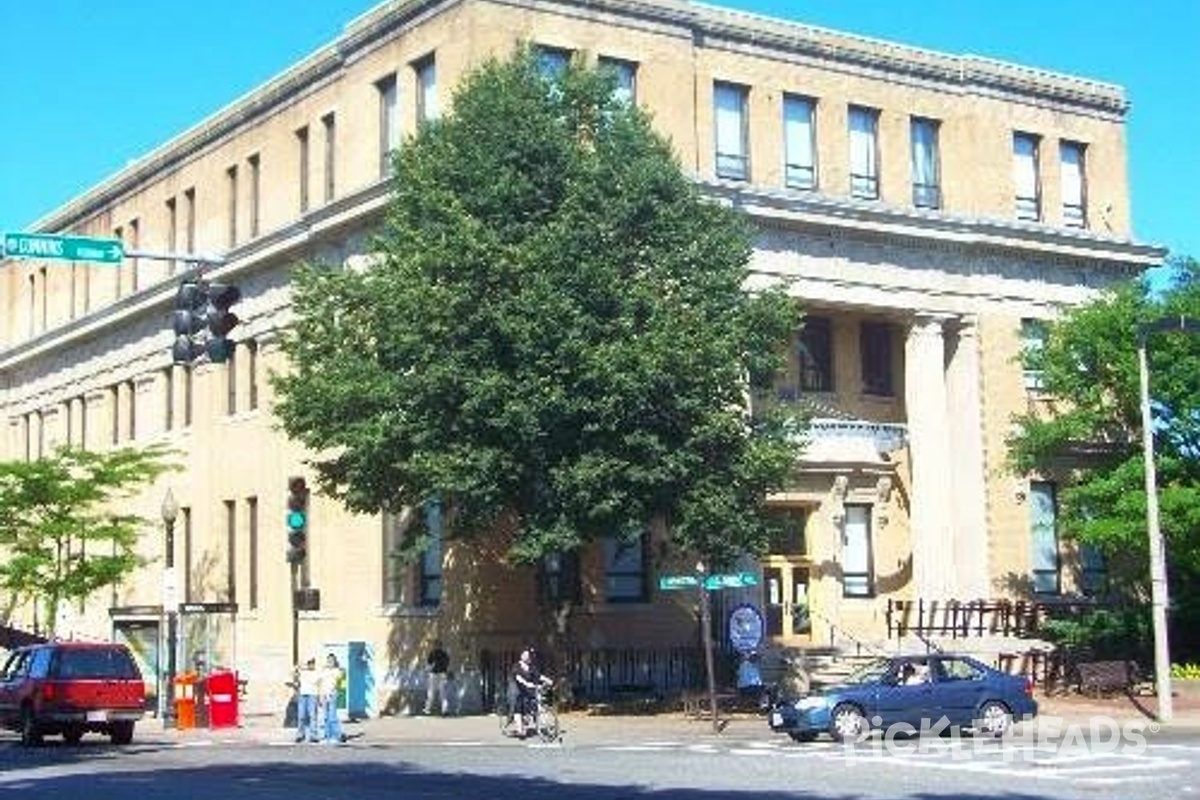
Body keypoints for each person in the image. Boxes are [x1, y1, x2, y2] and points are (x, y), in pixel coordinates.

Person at [511, 648, 552, 738]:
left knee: (538, 704)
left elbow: (538, 676)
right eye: (525, 655)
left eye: (528, 655)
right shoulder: (516, 666)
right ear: (521, 656)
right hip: (520, 690)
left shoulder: (531, 667)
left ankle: (543, 726)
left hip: (530, 690)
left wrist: (547, 679)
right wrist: (526, 683)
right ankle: (519, 730)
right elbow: (517, 677)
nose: (527, 656)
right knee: (518, 708)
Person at [318, 653, 347, 743]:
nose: (330, 662)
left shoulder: (337, 671)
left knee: (332, 716)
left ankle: (338, 735)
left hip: (332, 694)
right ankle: (327, 735)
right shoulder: (323, 671)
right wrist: (320, 695)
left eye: (332, 661)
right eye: (329, 660)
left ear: (335, 662)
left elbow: (342, 678)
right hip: (324, 694)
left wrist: (340, 668)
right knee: (325, 716)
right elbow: (320, 683)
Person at [294, 657, 320, 743]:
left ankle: (314, 735)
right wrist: (298, 667)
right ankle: (300, 734)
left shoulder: (317, 673)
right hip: (303, 695)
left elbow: (319, 684)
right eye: (309, 663)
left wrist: (320, 697)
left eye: (312, 663)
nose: (310, 665)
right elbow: (292, 674)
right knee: (301, 716)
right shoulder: (303, 672)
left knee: (312, 716)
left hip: (313, 695)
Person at [424, 640, 451, 716]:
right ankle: (444, 711)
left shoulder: (432, 653)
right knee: (443, 694)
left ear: (436, 645)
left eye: (436, 645)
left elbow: (429, 665)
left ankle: (427, 709)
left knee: (431, 693)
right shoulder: (444, 654)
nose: (436, 646)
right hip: (442, 674)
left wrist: (427, 671)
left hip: (434, 674)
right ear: (441, 646)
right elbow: (447, 665)